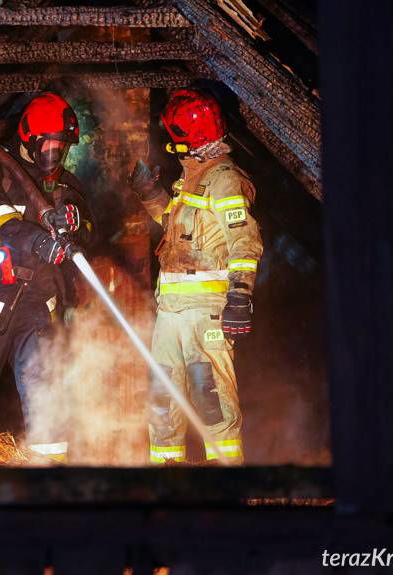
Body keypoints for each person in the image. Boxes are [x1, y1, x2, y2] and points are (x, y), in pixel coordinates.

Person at [0, 93, 94, 462]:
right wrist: (38, 242)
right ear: (28, 139)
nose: (53, 152)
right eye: (47, 143)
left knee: (47, 392)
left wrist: (76, 223)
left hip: (36, 304)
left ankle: (49, 478)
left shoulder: (67, 185)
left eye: (60, 145)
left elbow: (88, 228)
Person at [130, 88, 263, 464]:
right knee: (161, 405)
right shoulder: (189, 180)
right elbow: (174, 231)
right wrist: (149, 193)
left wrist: (240, 294)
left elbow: (245, 241)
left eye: (174, 136)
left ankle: (226, 494)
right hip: (170, 314)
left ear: (187, 138)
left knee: (212, 406)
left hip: (205, 314)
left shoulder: (224, 181)